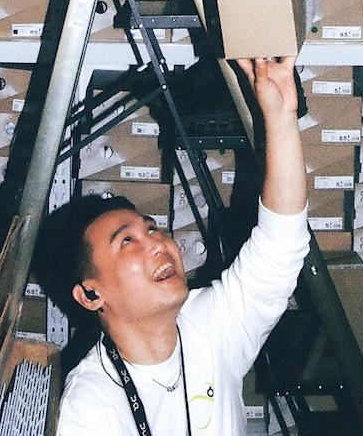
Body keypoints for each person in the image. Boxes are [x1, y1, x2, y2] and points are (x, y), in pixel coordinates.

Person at [54, 57, 308, 436]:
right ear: (91, 294)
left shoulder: (210, 325)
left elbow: (281, 245)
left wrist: (281, 118)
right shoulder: (90, 405)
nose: (158, 243)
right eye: (127, 241)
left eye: (152, 229)